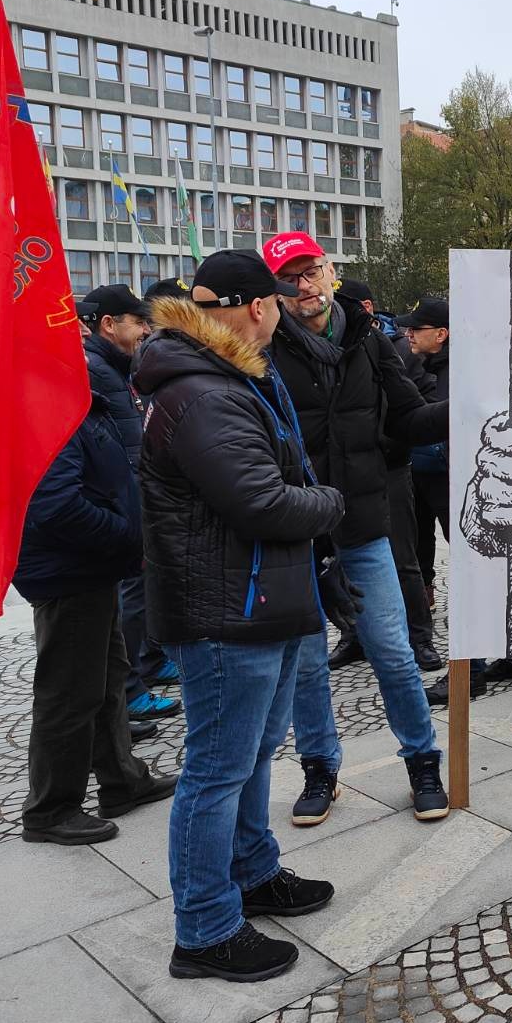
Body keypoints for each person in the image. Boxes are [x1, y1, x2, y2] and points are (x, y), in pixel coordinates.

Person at [136, 251, 348, 983]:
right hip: (228, 608)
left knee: (254, 755)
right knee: (217, 770)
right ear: (259, 309)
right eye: (280, 305)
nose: (287, 314)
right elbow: (263, 500)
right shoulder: (203, 392)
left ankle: (252, 872)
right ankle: (203, 929)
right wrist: (331, 503)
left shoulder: (222, 379)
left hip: (259, 597)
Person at [261, 232, 451, 826]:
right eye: (290, 278)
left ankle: (422, 761)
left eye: (311, 271)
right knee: (308, 661)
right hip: (295, 531)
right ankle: (320, 768)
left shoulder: (369, 339)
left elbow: (410, 419)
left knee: (393, 653)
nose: (304, 286)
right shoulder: (261, 351)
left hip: (364, 523)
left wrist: (469, 402)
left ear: (330, 271)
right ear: (275, 290)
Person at [14, 380, 176, 845]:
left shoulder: (74, 401)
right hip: (68, 573)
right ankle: (50, 809)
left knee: (106, 678)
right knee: (68, 692)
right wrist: (127, 536)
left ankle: (122, 780)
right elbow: (56, 506)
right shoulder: (48, 406)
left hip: (90, 568)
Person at [325, 279, 442, 677]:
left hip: (388, 468)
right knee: (340, 561)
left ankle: (419, 637)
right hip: (332, 478)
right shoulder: (303, 349)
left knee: (403, 557)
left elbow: (417, 406)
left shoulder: (385, 348)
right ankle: (353, 636)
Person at [77, 285, 182, 722]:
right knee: (133, 592)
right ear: (109, 324)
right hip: (122, 496)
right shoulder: (97, 369)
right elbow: (118, 443)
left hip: (137, 488)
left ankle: (150, 662)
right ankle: (131, 687)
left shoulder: (117, 365)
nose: (145, 330)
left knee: (146, 586)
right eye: (139, 322)